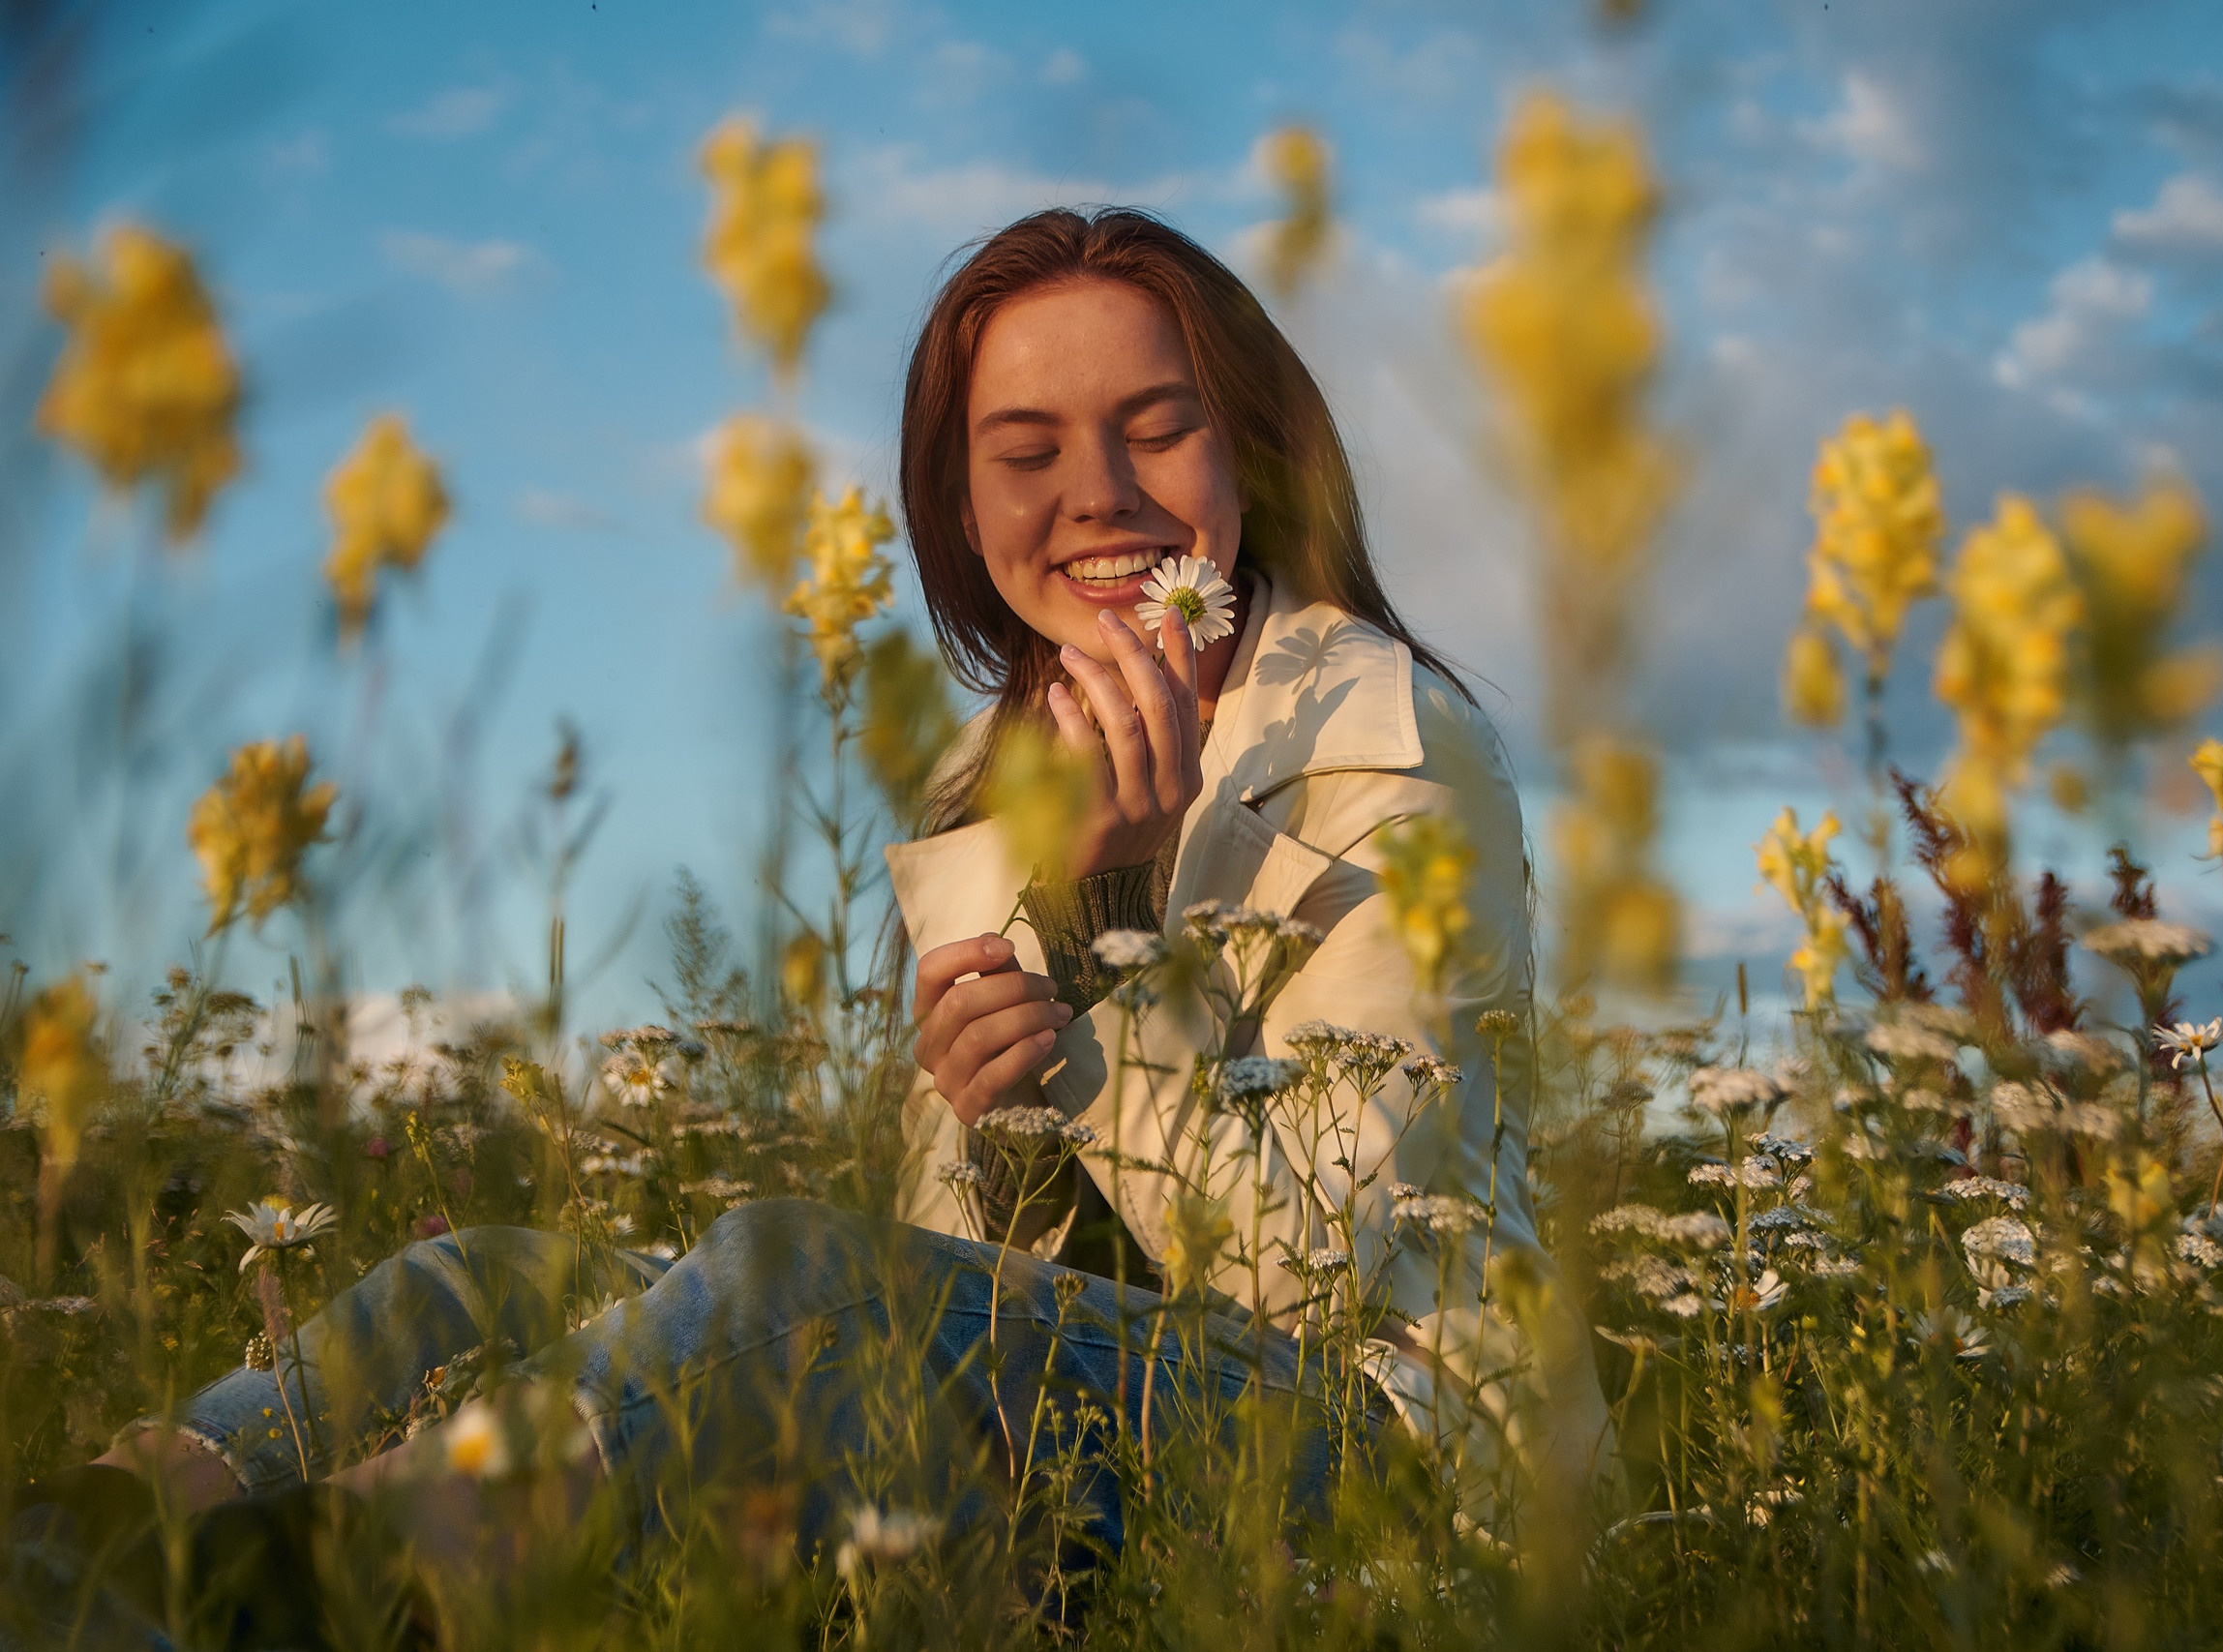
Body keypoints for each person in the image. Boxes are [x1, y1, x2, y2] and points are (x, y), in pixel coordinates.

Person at [20, 207, 1607, 1630]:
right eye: (1027, 450)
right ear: (962, 499)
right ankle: (90, 1538)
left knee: (791, 1281)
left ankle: (313, 1590)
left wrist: (1114, 940)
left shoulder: (1385, 733)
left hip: (1361, 1445)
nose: (1099, 496)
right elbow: (959, 1273)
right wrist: (1031, 995)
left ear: (1250, 454)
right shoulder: (981, 779)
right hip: (1071, 1413)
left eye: (1157, 429)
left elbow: (1336, 1252)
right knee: (488, 1276)